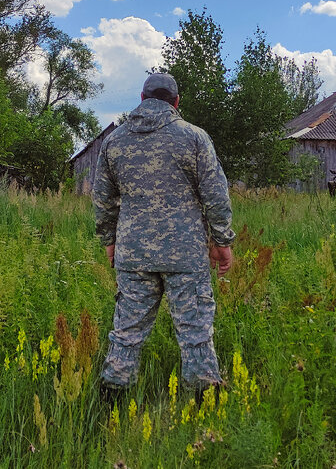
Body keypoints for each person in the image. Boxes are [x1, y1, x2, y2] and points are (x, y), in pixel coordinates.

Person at [93, 72, 235, 395]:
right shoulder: (195, 138)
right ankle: (204, 407)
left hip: (134, 254)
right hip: (185, 255)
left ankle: (111, 401)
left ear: (142, 100)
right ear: (176, 102)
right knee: (195, 333)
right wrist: (222, 242)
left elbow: (103, 199)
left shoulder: (114, 142)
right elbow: (215, 194)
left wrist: (110, 242)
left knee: (126, 333)